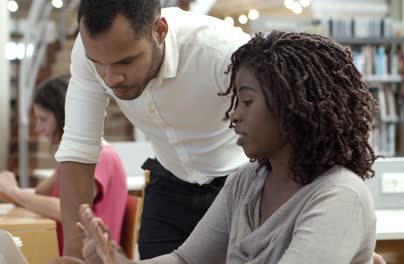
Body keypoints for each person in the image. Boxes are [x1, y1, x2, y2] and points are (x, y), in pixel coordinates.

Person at [65, 31, 385, 264]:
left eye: (246, 101)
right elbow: (185, 261)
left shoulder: (340, 196)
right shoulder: (246, 181)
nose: (234, 115)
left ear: (292, 108)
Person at [56, 0, 250, 259]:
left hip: (238, 182)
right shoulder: (89, 52)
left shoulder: (221, 50)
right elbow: (78, 150)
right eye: (99, 64)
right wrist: (73, 255)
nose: (111, 78)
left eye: (126, 61)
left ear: (159, 31)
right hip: (170, 179)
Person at [0, 76, 127, 256]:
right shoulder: (72, 160)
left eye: (43, 119)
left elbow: (70, 211)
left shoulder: (100, 157)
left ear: (63, 116)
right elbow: (38, 194)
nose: (37, 128)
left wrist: (13, 191)